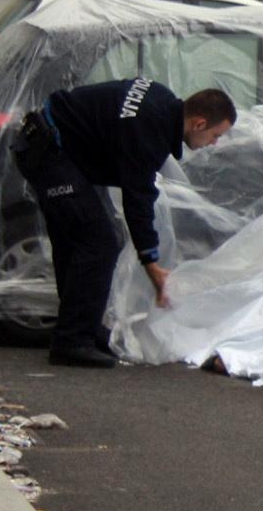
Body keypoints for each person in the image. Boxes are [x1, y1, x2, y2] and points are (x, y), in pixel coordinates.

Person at [13, 80, 238, 368]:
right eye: (215, 135)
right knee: (97, 242)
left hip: (55, 146)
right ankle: (72, 341)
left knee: (78, 240)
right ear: (199, 123)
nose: (214, 144)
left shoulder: (161, 100)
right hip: (48, 151)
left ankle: (83, 327)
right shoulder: (149, 130)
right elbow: (137, 199)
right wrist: (152, 263)